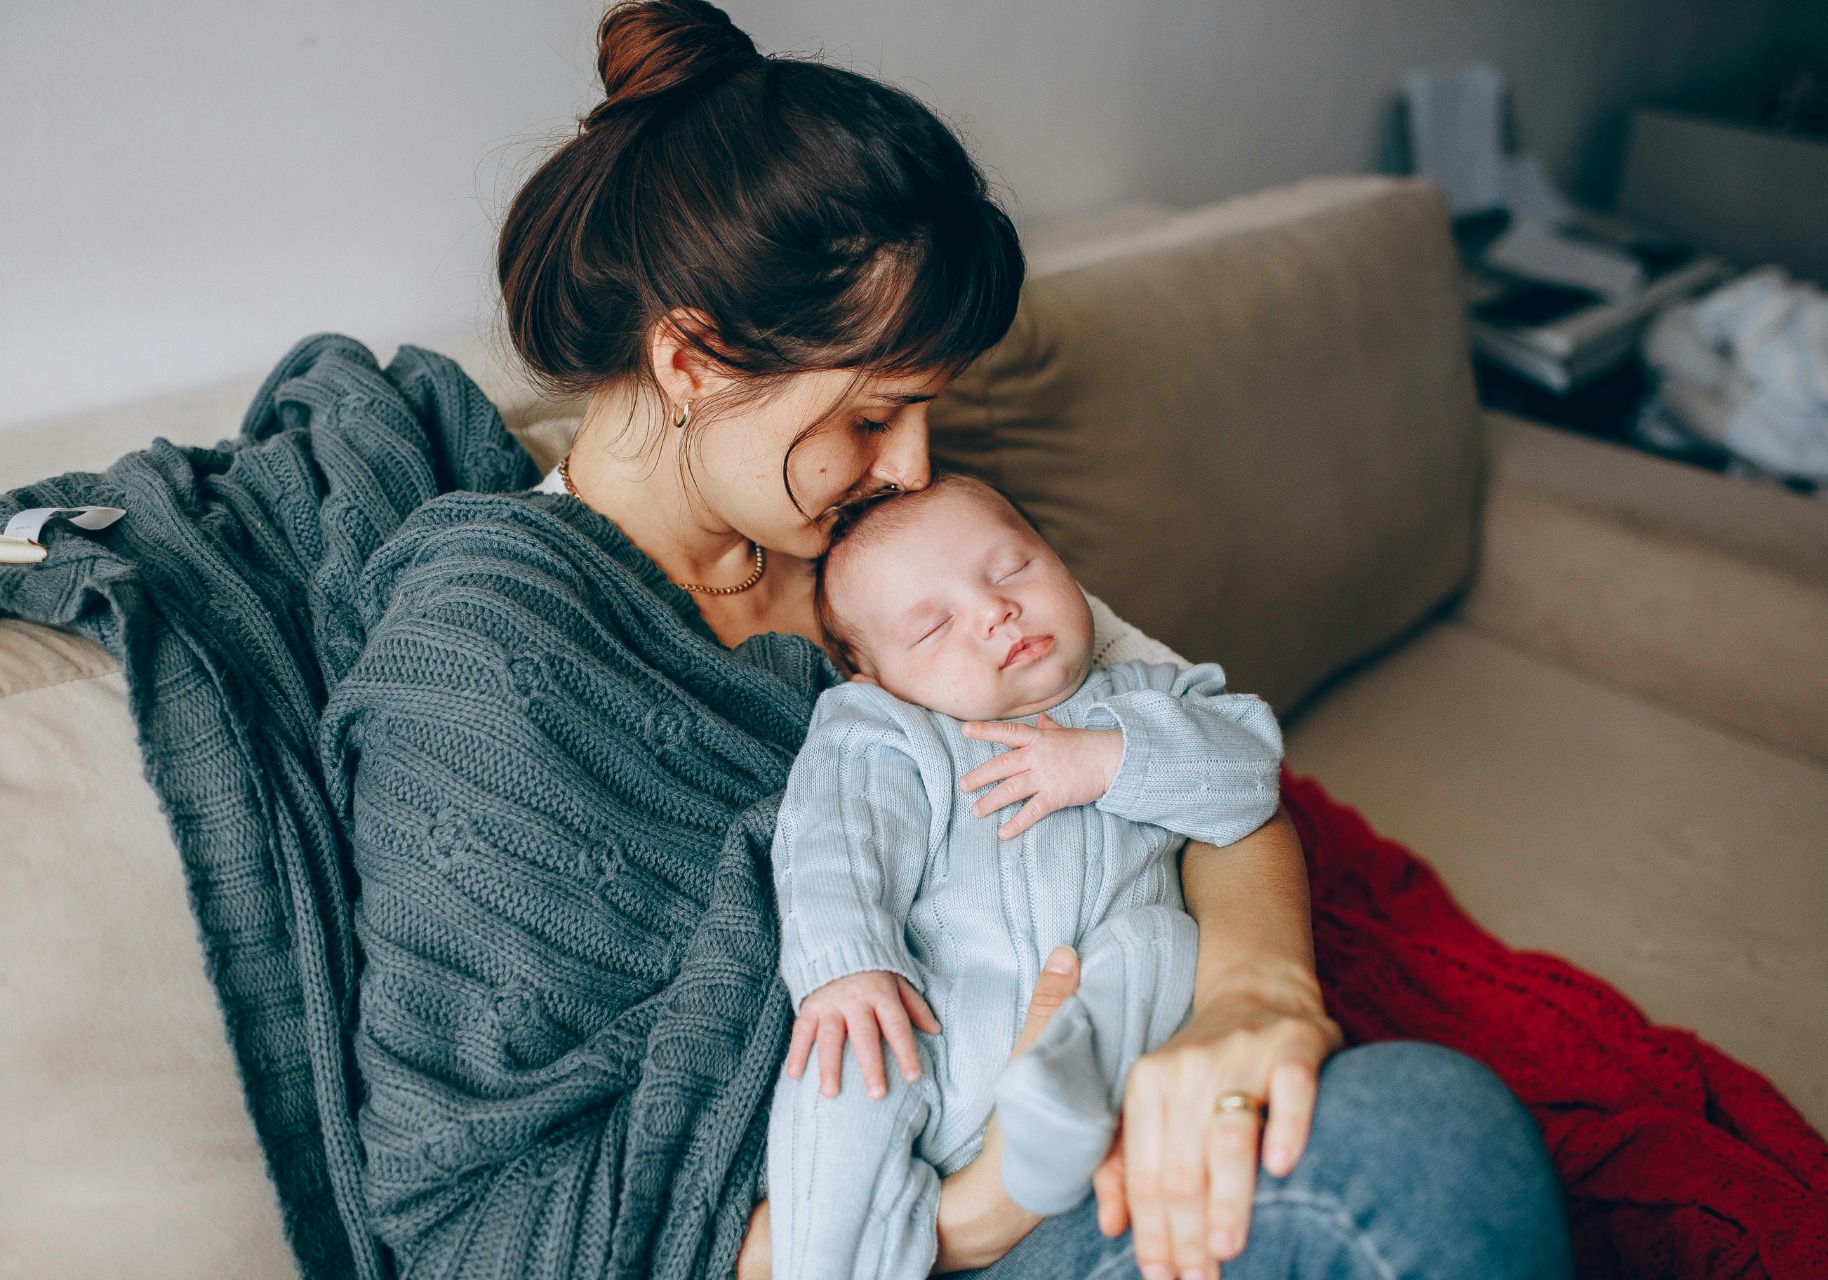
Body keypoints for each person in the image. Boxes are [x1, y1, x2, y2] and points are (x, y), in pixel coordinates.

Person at [340, 1, 1572, 1277]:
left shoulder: (883, 535)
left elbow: (1197, 758)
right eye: (875, 415)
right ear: (694, 358)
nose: (916, 465)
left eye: (926, 412)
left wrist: (1255, 992)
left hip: (1091, 1065)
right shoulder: (493, 657)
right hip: (873, 1228)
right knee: (1431, 1156)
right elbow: (485, 1226)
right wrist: (971, 1210)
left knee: (1441, 1132)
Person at [770, 475, 1286, 1279]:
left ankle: (1056, 1113)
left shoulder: (1155, 697)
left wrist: (1110, 758)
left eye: (1013, 569)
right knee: (836, 1064)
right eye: (935, 624)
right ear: (870, 677)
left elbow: (1251, 778)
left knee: (1160, 941)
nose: (994, 611)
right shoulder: (888, 731)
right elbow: (832, 845)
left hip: (1092, 1049)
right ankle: (832, 1262)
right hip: (930, 1038)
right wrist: (845, 966)